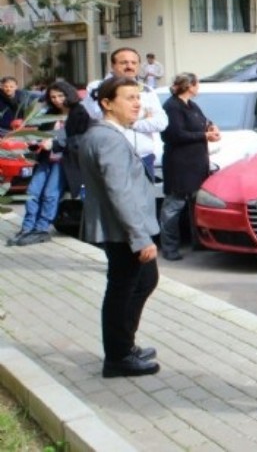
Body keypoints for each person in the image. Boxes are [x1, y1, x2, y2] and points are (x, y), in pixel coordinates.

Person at [78, 77, 162, 378]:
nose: (137, 103)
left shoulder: (106, 135)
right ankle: (118, 356)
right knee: (123, 289)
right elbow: (119, 192)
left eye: (138, 97)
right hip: (123, 230)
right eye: (129, 98)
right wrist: (139, 237)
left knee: (142, 281)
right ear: (107, 103)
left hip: (121, 228)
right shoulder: (108, 138)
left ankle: (124, 345)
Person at [159, 73, 221, 261]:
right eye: (196, 84)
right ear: (190, 86)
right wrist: (203, 136)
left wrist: (211, 127)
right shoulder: (172, 107)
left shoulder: (192, 105)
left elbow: (203, 121)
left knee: (196, 204)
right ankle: (169, 247)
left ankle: (199, 241)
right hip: (179, 164)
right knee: (174, 205)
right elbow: (175, 134)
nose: (198, 87)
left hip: (197, 163)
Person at [8, 81, 77, 247]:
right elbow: (40, 134)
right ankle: (27, 228)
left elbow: (79, 140)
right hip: (46, 159)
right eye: (53, 96)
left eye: (60, 96)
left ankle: (41, 229)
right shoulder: (49, 113)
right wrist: (32, 141)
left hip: (63, 161)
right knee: (32, 191)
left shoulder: (78, 114)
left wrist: (55, 143)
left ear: (68, 95)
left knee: (50, 194)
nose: (57, 100)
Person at [84, 48, 168, 179]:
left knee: (145, 199)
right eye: (124, 63)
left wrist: (132, 123)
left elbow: (162, 123)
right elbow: (100, 116)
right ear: (112, 65)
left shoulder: (147, 90)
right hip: (112, 156)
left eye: (134, 63)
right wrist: (144, 116)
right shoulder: (98, 87)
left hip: (144, 158)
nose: (130, 66)